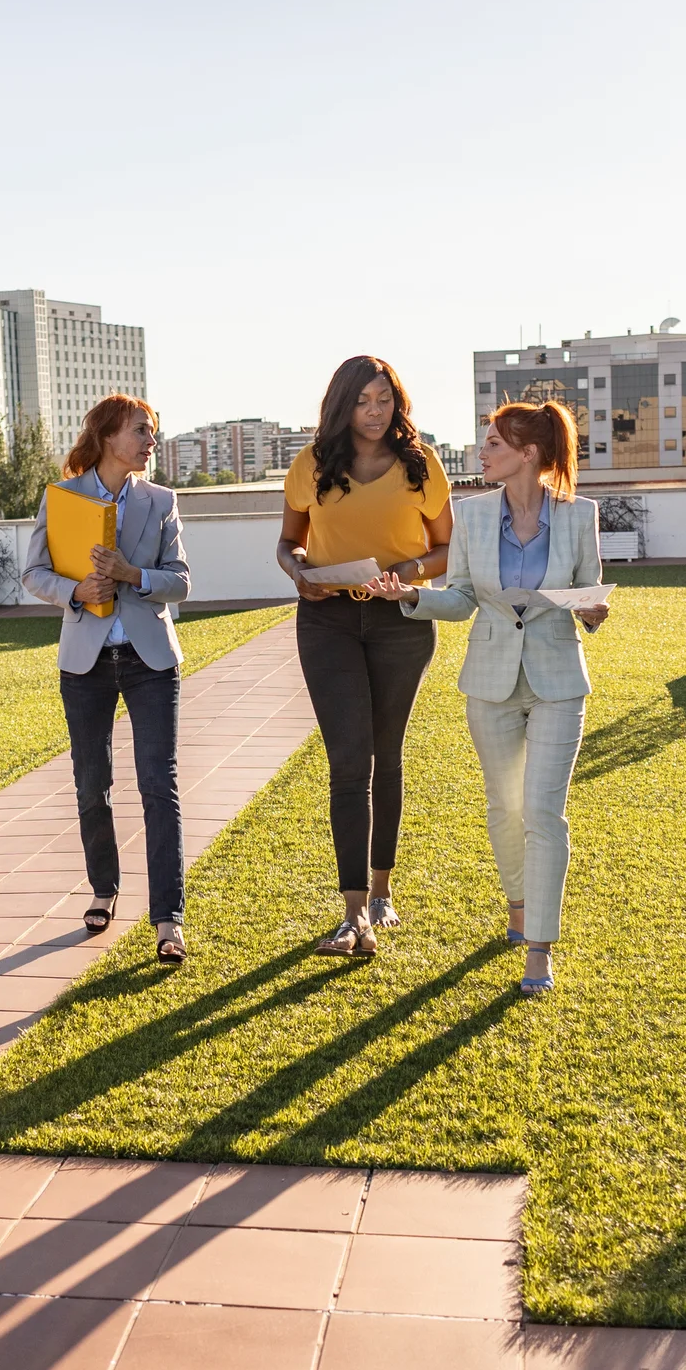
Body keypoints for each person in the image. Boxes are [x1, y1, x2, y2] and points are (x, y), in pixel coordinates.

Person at [369, 401, 609, 996]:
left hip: (558, 680)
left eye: (495, 444)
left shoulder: (580, 516)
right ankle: (519, 903)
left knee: (544, 812)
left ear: (529, 454)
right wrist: (411, 596)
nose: (483, 452)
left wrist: (594, 611)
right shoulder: (471, 517)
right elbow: (459, 598)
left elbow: (588, 595)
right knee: (505, 808)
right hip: (491, 681)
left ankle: (539, 951)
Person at [275, 356, 452, 959]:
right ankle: (354, 917)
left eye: (384, 400)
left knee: (386, 751)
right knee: (348, 759)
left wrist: (411, 571)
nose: (374, 413)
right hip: (326, 619)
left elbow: (446, 549)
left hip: (400, 618)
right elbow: (288, 541)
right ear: (341, 406)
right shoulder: (312, 466)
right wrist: (300, 574)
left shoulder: (420, 465)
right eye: (363, 402)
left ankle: (382, 892)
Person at [22, 395, 193, 963]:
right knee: (91, 782)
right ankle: (103, 889)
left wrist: (132, 575)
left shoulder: (161, 501)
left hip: (150, 662)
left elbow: (179, 582)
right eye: (142, 430)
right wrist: (75, 591)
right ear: (108, 434)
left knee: (157, 785)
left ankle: (168, 917)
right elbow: (33, 571)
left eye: (153, 431)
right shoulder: (63, 497)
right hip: (85, 663)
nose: (150, 441)